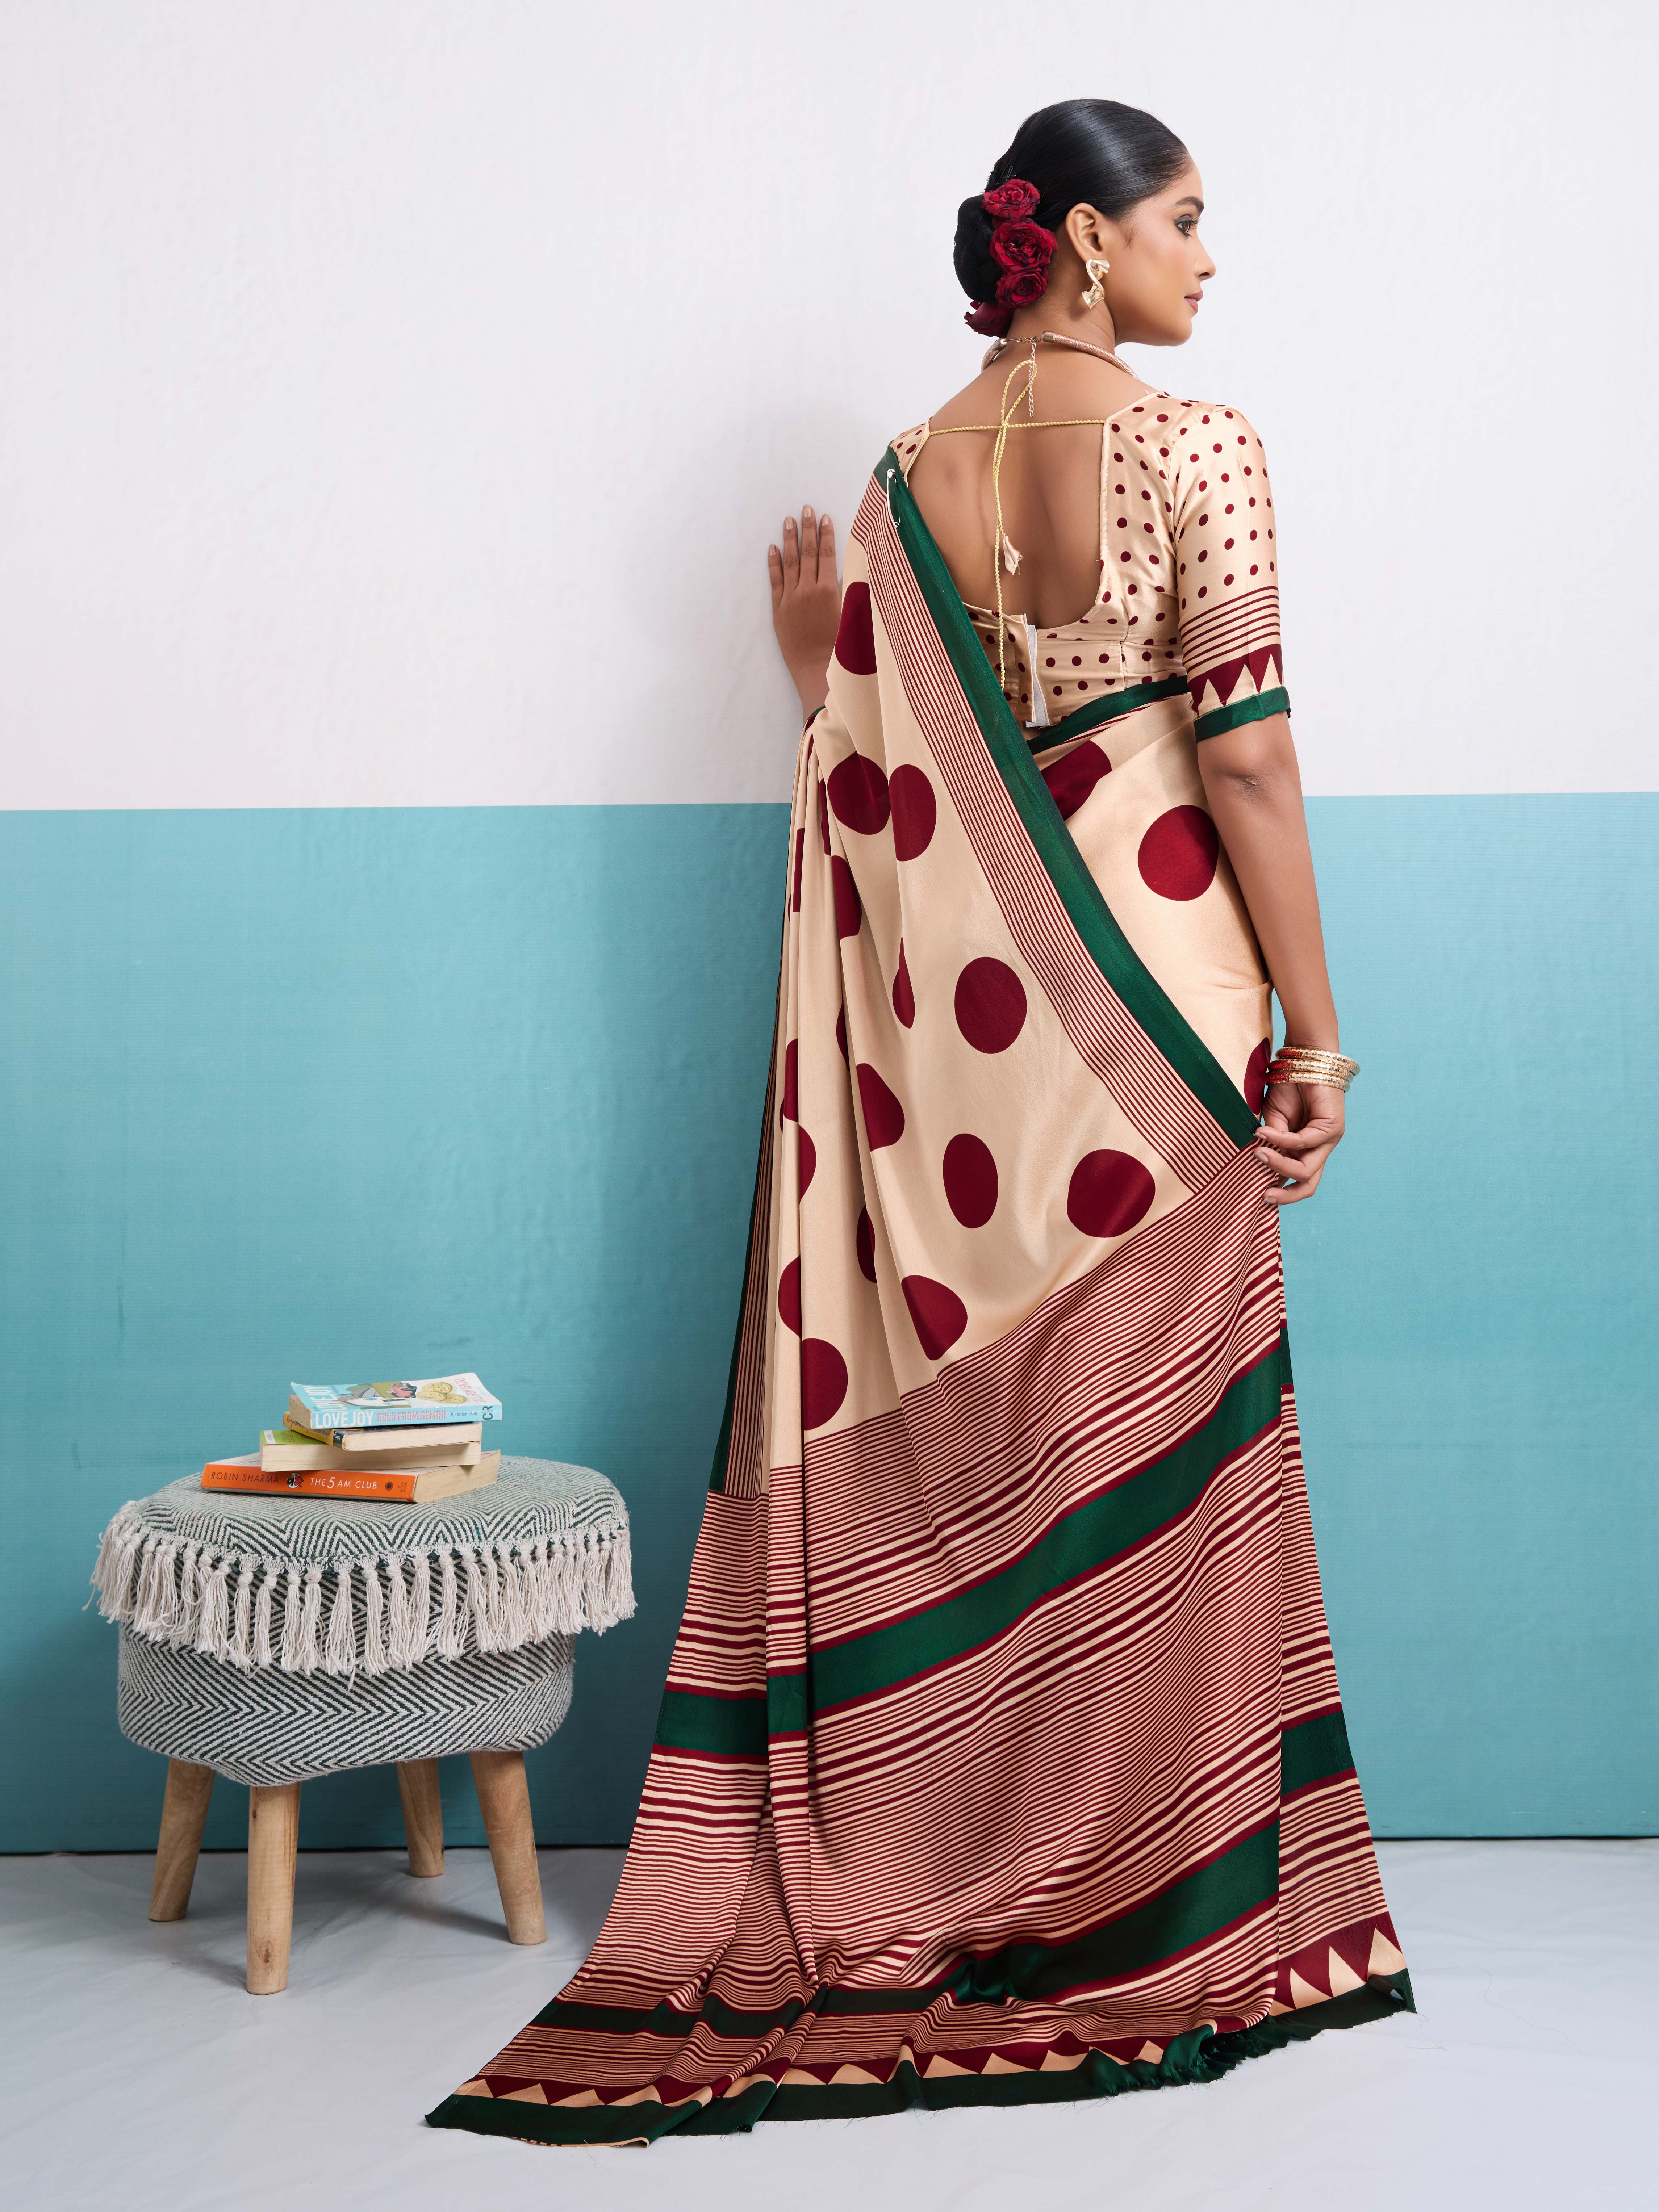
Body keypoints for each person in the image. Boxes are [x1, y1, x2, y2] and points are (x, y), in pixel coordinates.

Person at [430, 97, 1412, 2150]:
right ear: (1086, 244)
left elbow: (888, 794)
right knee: (1157, 1442)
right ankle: (1145, 1884)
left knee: (996, 1446)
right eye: (1187, 219)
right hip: (1163, 1000)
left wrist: (817, 675)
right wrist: (1323, 1035)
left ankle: (950, 1850)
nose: (1208, 259)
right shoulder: (1198, 445)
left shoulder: (905, 476)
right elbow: (1242, 763)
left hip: (971, 1050)